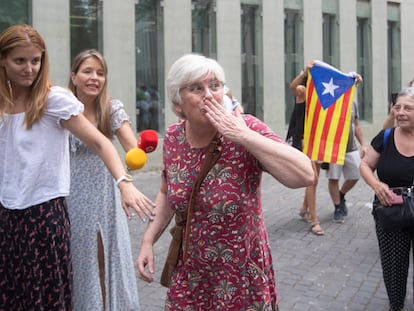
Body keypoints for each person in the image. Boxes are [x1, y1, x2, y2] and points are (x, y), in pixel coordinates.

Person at [135, 53, 314, 310]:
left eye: (215, 86)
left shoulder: (246, 128)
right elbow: (167, 193)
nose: (208, 94)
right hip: (191, 275)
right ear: (178, 104)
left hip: (240, 276)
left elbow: (305, 175)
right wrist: (147, 241)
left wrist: (243, 135)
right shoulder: (173, 138)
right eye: (197, 88)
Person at [0, 24, 154, 310]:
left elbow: (103, 144)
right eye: (20, 60)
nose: (29, 68)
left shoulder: (55, 100)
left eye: (35, 61)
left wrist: (125, 181)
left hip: (47, 212)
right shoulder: (3, 104)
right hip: (11, 213)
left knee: (57, 290)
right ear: (3, 61)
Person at [67, 49, 143, 310]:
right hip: (71, 198)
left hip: (106, 195)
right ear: (73, 76)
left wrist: (140, 151)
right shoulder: (62, 109)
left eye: (100, 73)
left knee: (105, 258)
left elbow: (132, 148)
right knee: (78, 261)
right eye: (87, 71)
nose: (94, 78)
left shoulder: (111, 108)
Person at [360, 87, 414, 311]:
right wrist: (375, 184)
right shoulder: (385, 136)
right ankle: (396, 305)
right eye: (397, 107)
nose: (400, 112)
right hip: (390, 210)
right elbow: (365, 165)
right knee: (394, 266)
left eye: (408, 108)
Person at [287, 61, 324, 236]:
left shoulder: (324, 93)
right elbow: (293, 86)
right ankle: (314, 219)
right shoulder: (304, 91)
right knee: (312, 178)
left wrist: (354, 81)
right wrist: (304, 72)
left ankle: (304, 208)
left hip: (318, 140)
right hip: (304, 140)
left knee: (315, 177)